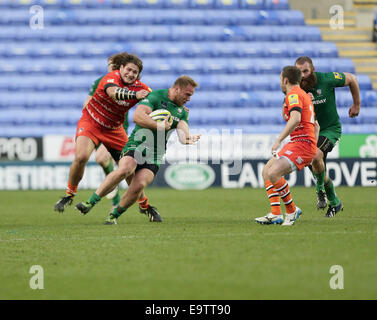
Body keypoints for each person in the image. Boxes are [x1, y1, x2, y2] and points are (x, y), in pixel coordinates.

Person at [75, 75, 201, 225]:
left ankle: (113, 216)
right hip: (137, 144)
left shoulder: (182, 111)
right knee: (126, 169)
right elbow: (138, 116)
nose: (189, 99)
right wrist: (158, 126)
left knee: (139, 185)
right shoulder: (155, 96)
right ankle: (90, 202)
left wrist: (186, 137)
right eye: (187, 94)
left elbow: (182, 128)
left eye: (191, 96)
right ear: (177, 89)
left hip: (155, 153)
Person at [54, 53, 161, 222]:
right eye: (129, 70)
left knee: (129, 168)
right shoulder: (109, 78)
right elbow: (113, 93)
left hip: (114, 129)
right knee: (81, 156)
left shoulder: (141, 88)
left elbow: (156, 99)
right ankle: (70, 194)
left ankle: (144, 204)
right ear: (120, 69)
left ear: (138, 75)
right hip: (91, 123)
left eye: (135, 72)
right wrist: (135, 95)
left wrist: (170, 108)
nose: (131, 74)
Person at [82, 52, 152, 214]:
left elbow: (147, 97)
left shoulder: (127, 84)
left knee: (124, 169)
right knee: (108, 162)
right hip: (97, 126)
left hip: (116, 130)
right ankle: (124, 196)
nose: (110, 70)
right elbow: (87, 103)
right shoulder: (101, 82)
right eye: (109, 67)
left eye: (112, 67)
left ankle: (139, 201)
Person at [295, 56, 360, 217]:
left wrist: (356, 104)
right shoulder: (296, 89)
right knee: (320, 172)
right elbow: (290, 113)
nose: (302, 75)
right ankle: (335, 203)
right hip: (310, 132)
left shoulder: (326, 79)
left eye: (305, 71)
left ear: (313, 70)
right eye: (299, 72)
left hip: (330, 129)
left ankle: (319, 191)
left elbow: (352, 79)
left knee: (316, 155)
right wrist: (305, 102)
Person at [255, 66, 319, 226]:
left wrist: (278, 140)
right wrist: (314, 148)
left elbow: (296, 118)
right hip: (299, 143)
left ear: (285, 80)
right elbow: (316, 124)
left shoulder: (294, 94)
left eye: (280, 80)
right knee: (266, 172)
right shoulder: (303, 95)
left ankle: (291, 210)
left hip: (302, 144)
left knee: (274, 173)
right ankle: (276, 214)